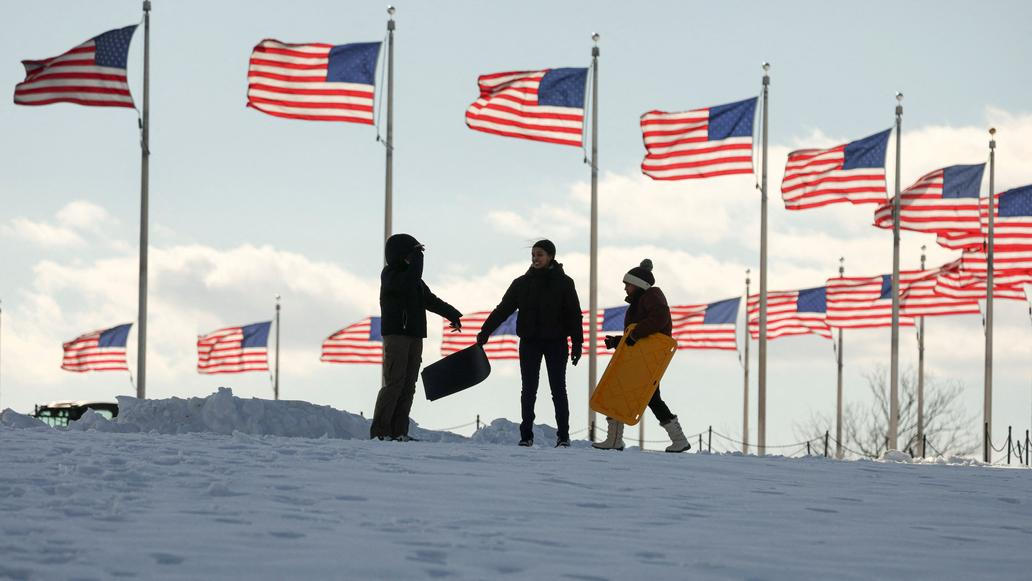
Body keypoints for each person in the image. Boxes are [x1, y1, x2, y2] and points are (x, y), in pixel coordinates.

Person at [477, 240, 583, 448]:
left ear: (551, 256)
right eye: (533, 255)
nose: (535, 258)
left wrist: (577, 343)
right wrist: (486, 330)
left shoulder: (565, 283)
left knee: (558, 389)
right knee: (528, 389)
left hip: (556, 343)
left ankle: (563, 436)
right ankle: (526, 436)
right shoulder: (521, 283)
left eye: (540, 254)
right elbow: (503, 309)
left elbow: (573, 315)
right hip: (530, 342)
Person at [593, 259, 691, 453]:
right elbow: (639, 334)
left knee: (631, 393)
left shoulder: (652, 296)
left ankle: (615, 439)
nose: (625, 289)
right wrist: (618, 342)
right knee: (630, 393)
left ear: (638, 284)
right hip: (642, 358)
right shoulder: (642, 301)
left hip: (648, 359)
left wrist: (634, 336)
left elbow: (657, 321)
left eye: (627, 285)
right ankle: (676, 439)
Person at [372, 233, 462, 441]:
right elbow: (408, 280)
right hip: (397, 336)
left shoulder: (416, 282)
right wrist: (418, 259)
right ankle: (380, 433)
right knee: (394, 383)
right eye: (413, 253)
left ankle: (399, 432)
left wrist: (453, 314)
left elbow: (431, 301)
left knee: (408, 385)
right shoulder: (391, 275)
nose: (415, 258)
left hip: (414, 336)